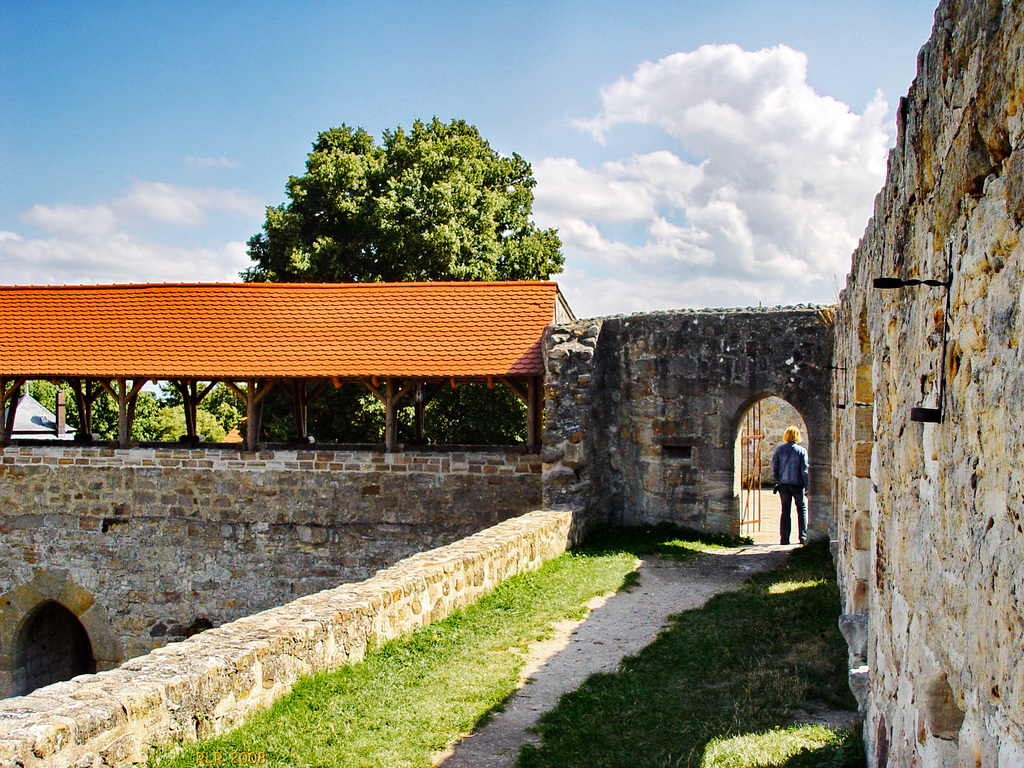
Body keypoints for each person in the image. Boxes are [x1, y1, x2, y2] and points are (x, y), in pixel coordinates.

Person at [771, 426, 809, 545]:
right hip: (797, 484)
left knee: (785, 511)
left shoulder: (779, 450)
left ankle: (784, 539)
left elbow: (774, 467)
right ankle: (802, 537)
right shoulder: (801, 451)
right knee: (801, 510)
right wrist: (807, 486)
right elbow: (805, 470)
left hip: (784, 485)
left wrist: (779, 479)